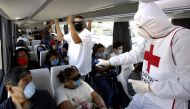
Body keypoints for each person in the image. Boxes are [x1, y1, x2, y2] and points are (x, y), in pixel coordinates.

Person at [97, 1, 190, 109]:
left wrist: (149, 87)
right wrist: (109, 61)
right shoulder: (151, 38)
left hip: (164, 103)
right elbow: (134, 55)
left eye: (140, 27)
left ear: (153, 25)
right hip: (143, 94)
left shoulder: (181, 38)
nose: (138, 31)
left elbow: (187, 87)